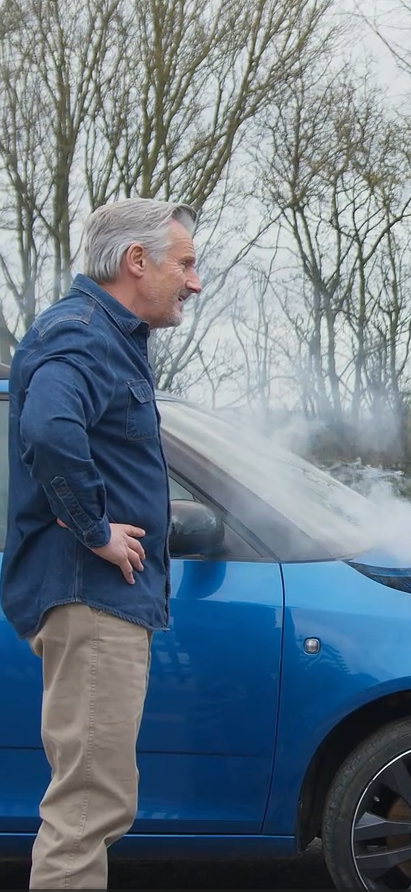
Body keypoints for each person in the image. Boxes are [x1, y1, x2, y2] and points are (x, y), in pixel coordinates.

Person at [3, 198, 201, 888]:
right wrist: (94, 529)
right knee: (89, 807)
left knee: (94, 800)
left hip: (98, 601)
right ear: (136, 260)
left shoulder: (103, 337)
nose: (194, 281)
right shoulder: (84, 335)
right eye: (185, 264)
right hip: (90, 598)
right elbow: (49, 429)